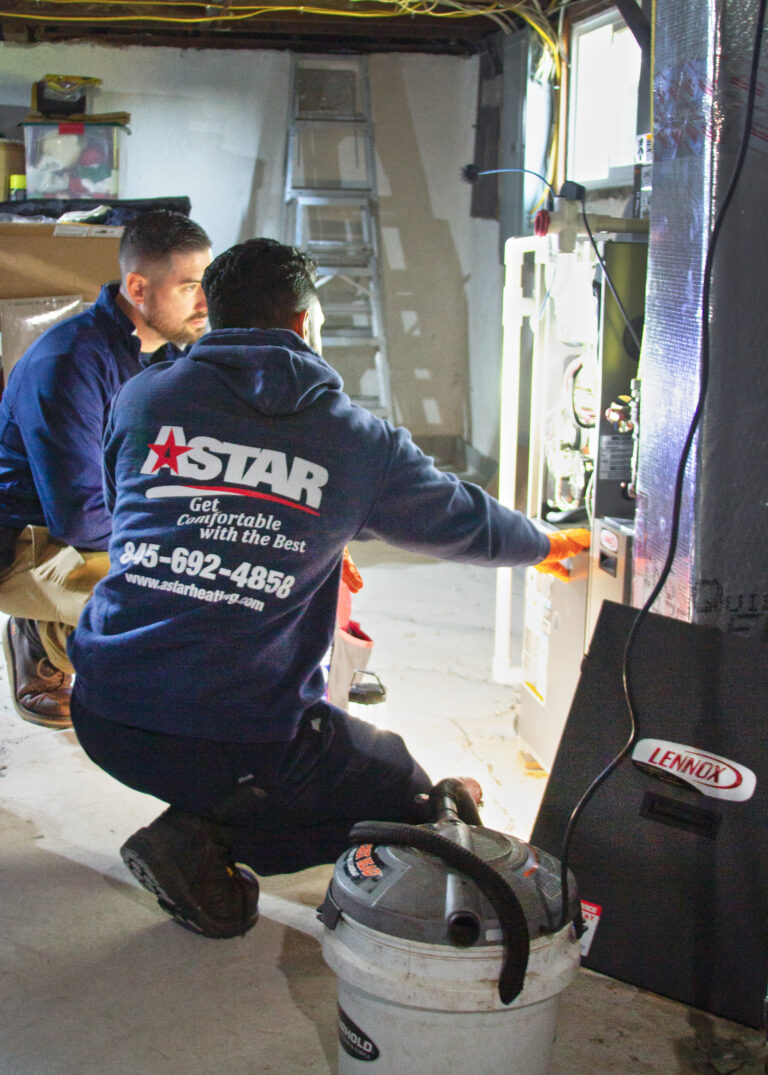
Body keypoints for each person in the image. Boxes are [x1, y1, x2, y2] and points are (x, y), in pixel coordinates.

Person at [67, 237, 590, 940]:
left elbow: (133, 511)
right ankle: (200, 839)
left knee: (261, 755)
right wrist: (549, 543)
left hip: (103, 709)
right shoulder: (353, 439)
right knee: (407, 795)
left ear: (211, 317)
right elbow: (464, 521)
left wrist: (288, 543)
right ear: (308, 323)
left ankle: (203, 817)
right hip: (230, 733)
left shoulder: (143, 395)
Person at [0, 210, 212, 728]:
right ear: (138, 286)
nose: (205, 303)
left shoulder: (165, 358)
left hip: (98, 526)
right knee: (172, 609)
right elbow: (79, 515)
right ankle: (45, 637)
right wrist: (173, 549)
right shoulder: (71, 361)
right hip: (31, 540)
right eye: (189, 288)